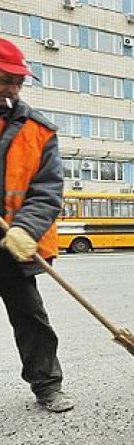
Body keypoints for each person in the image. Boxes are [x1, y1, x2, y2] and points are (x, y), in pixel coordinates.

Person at [0, 38, 73, 411]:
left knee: (31, 320)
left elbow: (47, 190)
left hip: (13, 245)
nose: (11, 88)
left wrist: (25, 229)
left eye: (17, 81)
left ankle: (47, 386)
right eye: (4, 79)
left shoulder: (39, 131)